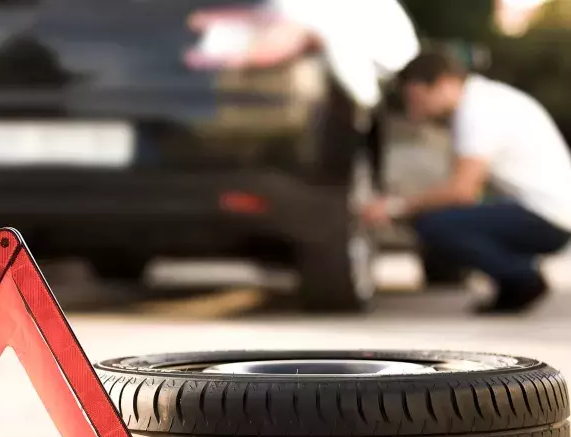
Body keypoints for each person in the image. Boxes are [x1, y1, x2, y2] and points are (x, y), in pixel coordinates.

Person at [362, 51, 571, 314]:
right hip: (549, 212)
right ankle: (513, 278)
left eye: (417, 99)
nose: (415, 112)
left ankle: (521, 277)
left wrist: (395, 206)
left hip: (548, 217)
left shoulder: (476, 111)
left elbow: (462, 191)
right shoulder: (487, 99)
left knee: (434, 224)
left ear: (445, 84)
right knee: (444, 217)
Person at [185, 0, 420, 112]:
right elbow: (344, 56)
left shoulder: (402, 42)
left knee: (273, 24)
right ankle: (207, 53)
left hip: (302, 18)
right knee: (284, 34)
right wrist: (368, 100)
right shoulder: (395, 55)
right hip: (305, 21)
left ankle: (205, 30)